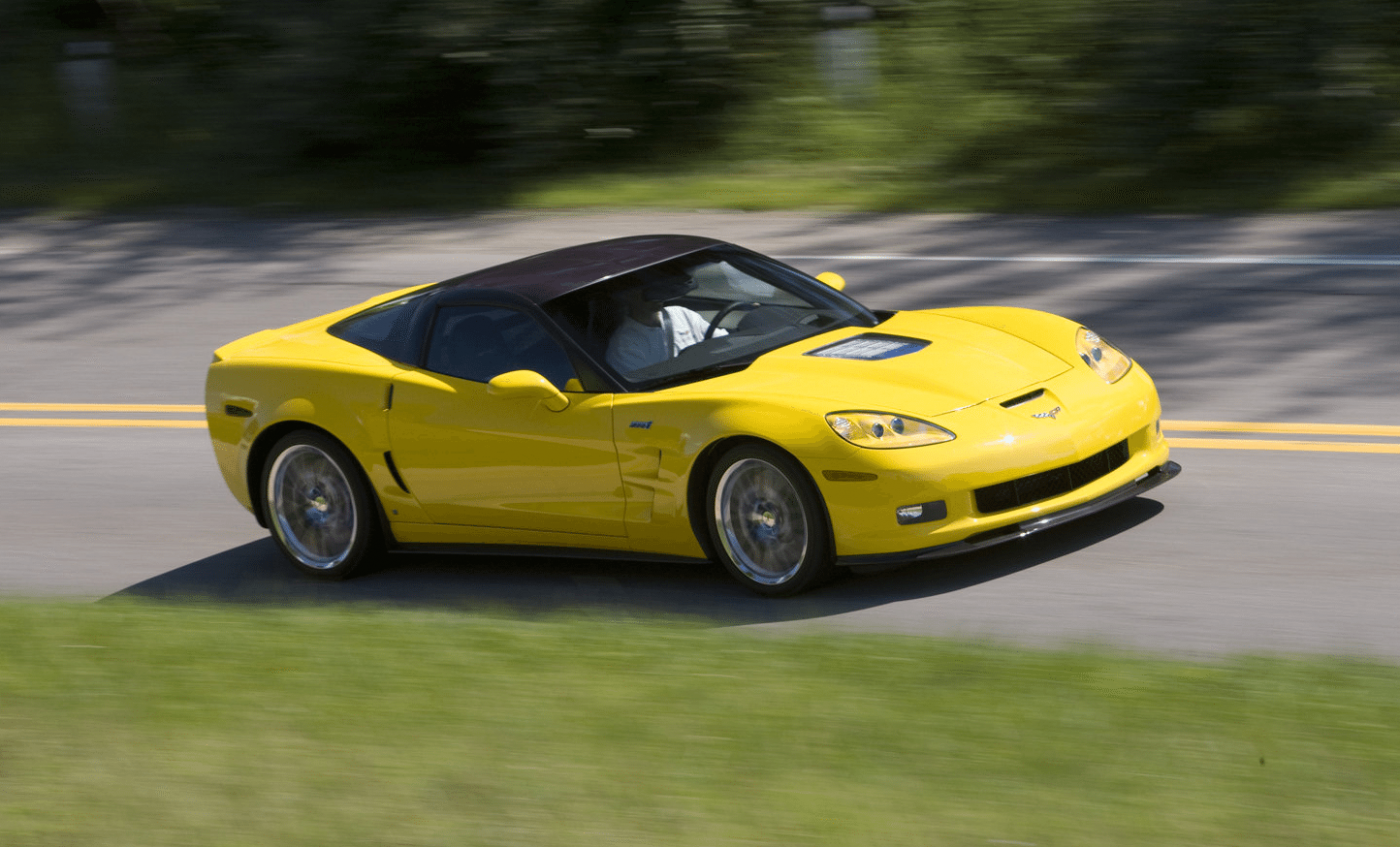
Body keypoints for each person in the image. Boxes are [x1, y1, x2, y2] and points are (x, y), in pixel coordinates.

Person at [605, 273, 725, 375]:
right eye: (648, 289)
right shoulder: (624, 346)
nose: (657, 294)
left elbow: (724, 343)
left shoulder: (681, 313)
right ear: (627, 294)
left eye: (658, 287)